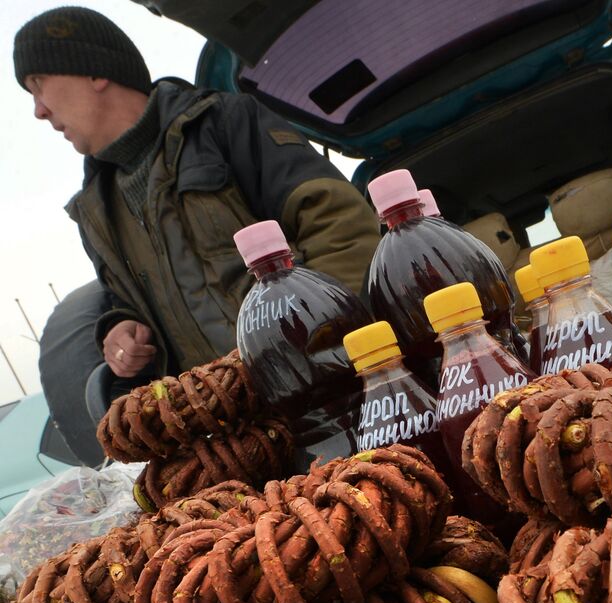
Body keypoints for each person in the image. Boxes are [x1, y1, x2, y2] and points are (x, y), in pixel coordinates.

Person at [14, 6, 381, 449]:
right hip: (242, 444)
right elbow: (125, 304)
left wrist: (310, 350)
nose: (38, 111)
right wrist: (120, 331)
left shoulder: (225, 123)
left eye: (38, 86)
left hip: (342, 402)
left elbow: (342, 227)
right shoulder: (95, 208)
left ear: (94, 71)